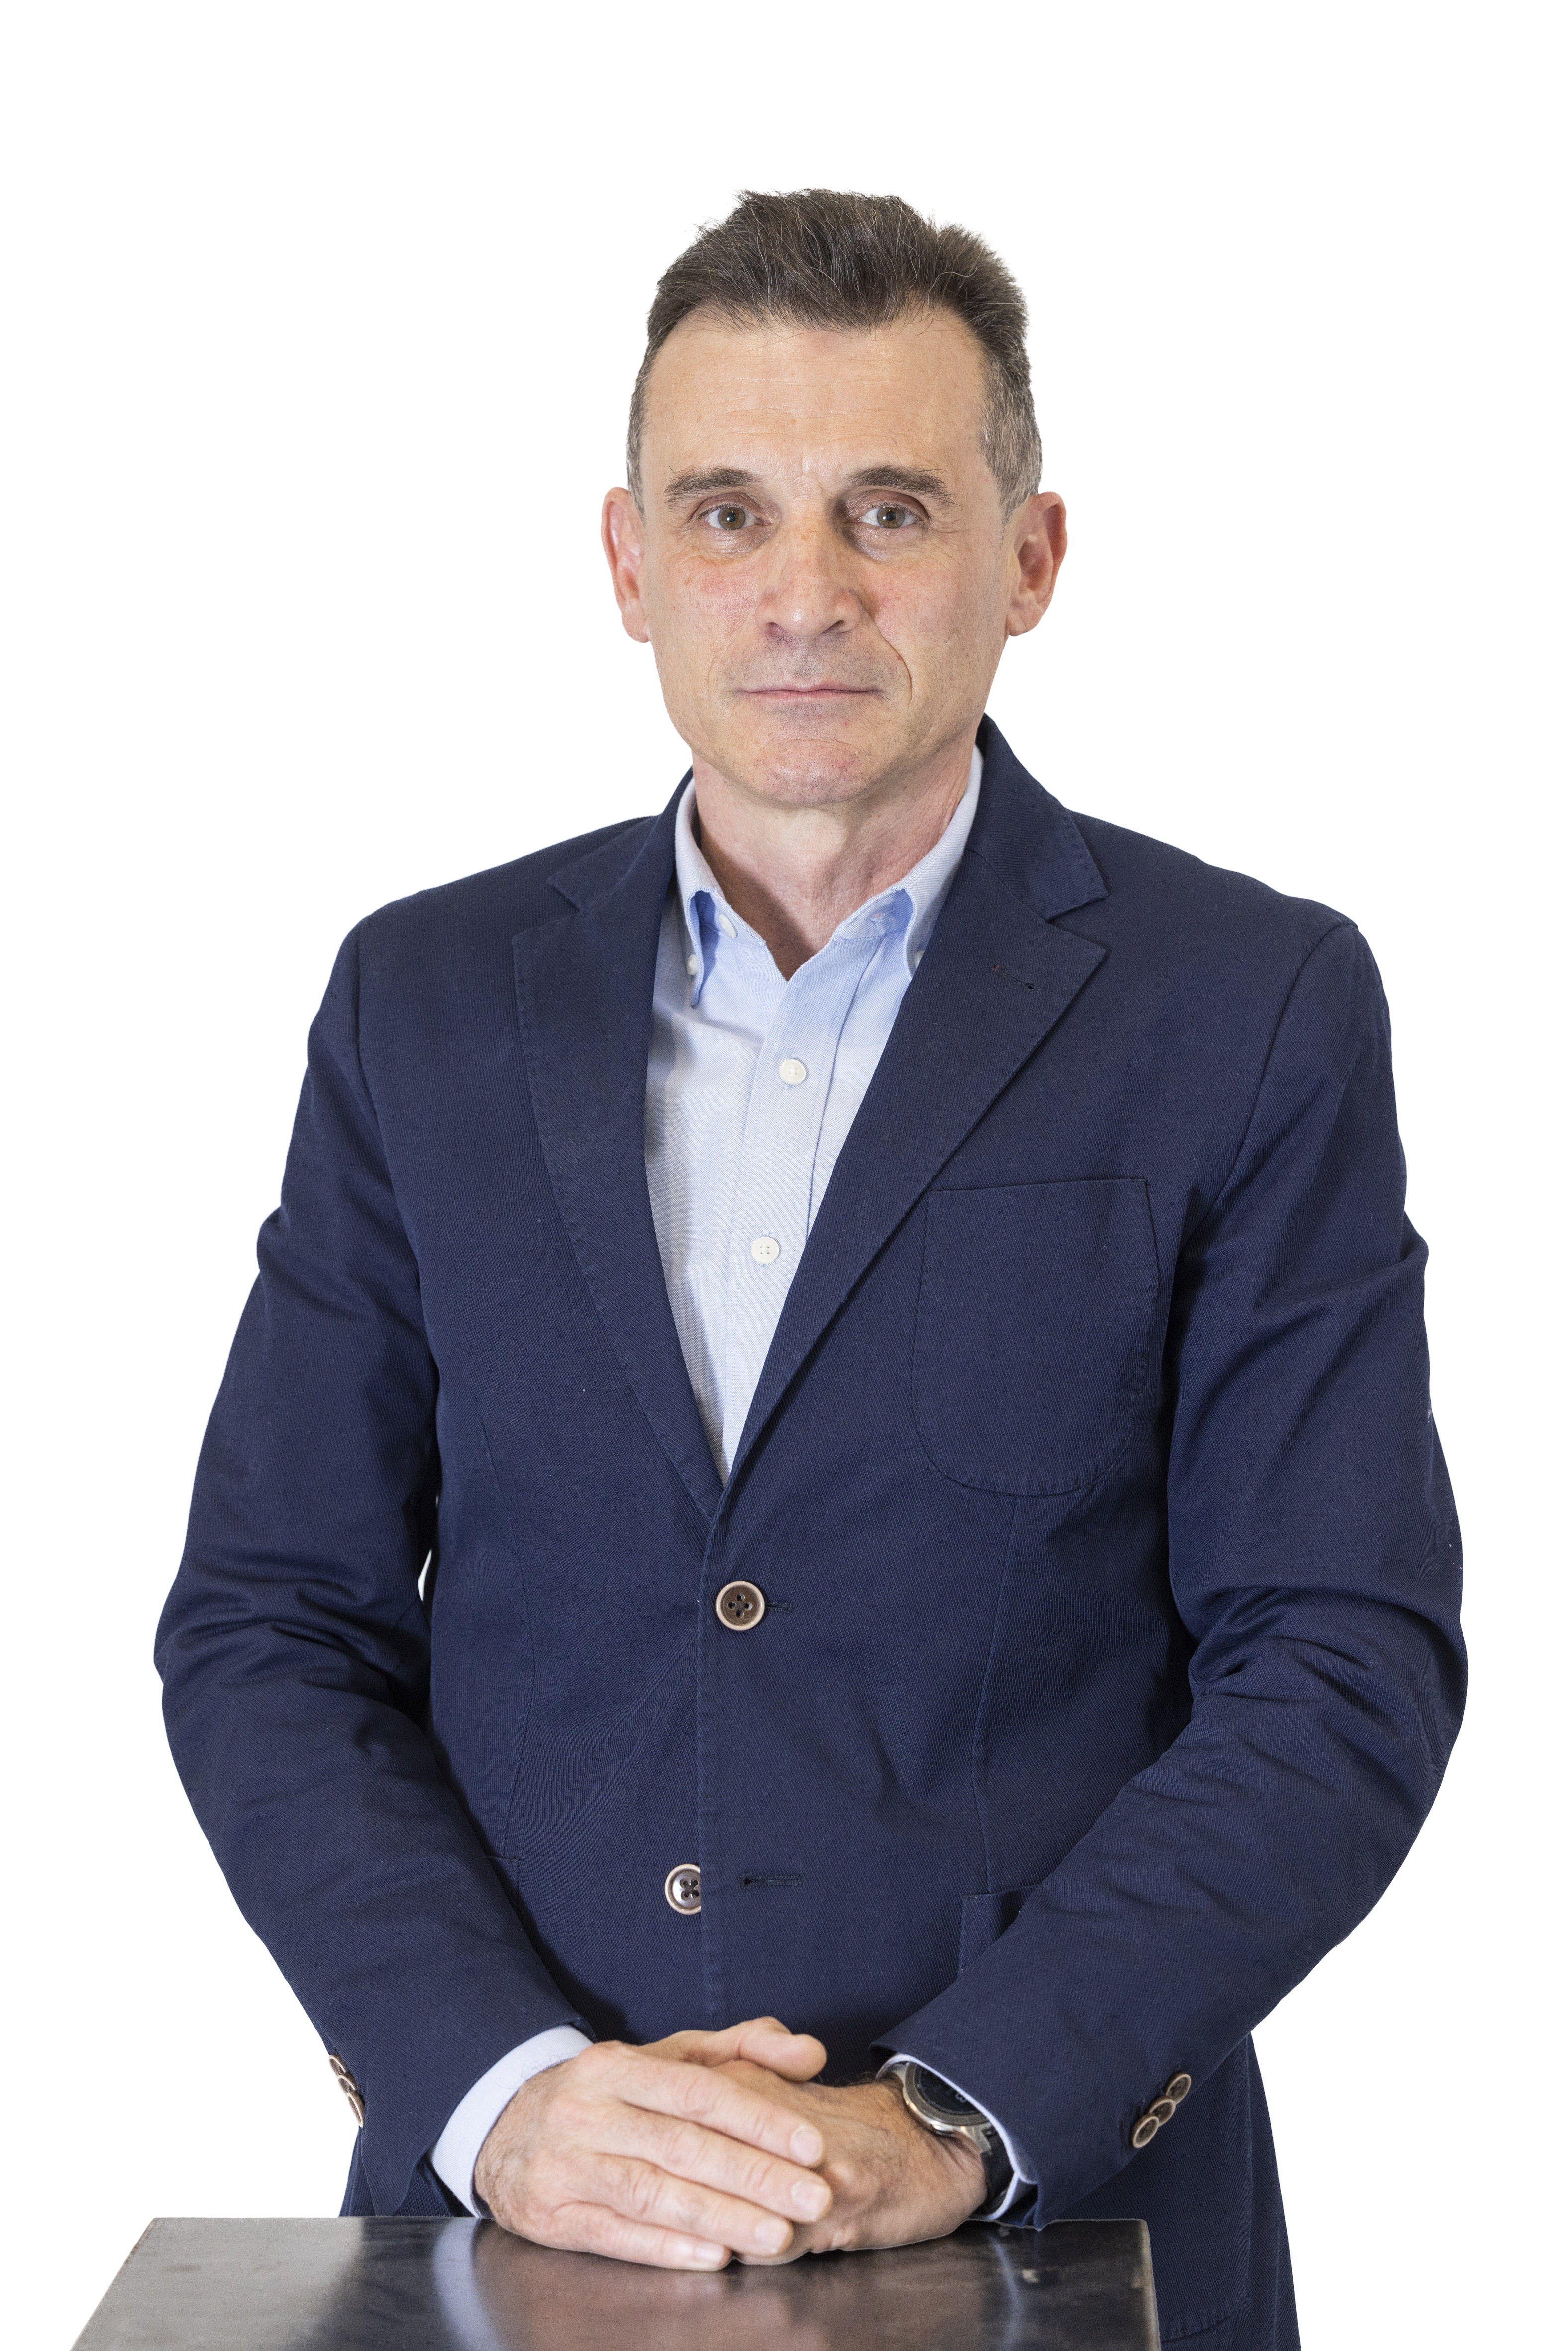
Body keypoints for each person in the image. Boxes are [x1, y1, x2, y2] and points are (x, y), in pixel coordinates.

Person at [156, 189, 1464, 2349]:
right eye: (728, 512)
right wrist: (504, 2090)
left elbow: (1336, 1659)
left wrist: (954, 2113)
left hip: (1060, 2230)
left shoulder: (1250, 1005)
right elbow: (270, 1621)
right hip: (515, 2244)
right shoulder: (423, 1002)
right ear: (627, 562)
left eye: (889, 509)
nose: (804, 593)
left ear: (1029, 557)